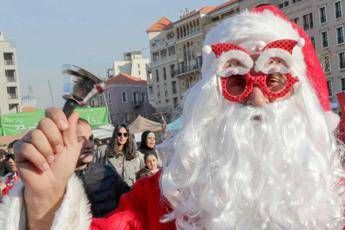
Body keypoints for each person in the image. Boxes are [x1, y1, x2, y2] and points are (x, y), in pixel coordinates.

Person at [3, 4, 345, 229]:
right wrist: (46, 204)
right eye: (236, 81)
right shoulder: (164, 201)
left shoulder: (334, 199)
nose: (255, 98)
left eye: (273, 80)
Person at [74, 118, 130, 217]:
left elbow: (131, 200)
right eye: (80, 139)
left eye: (90, 138)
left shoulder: (107, 172)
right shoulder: (58, 182)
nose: (88, 145)